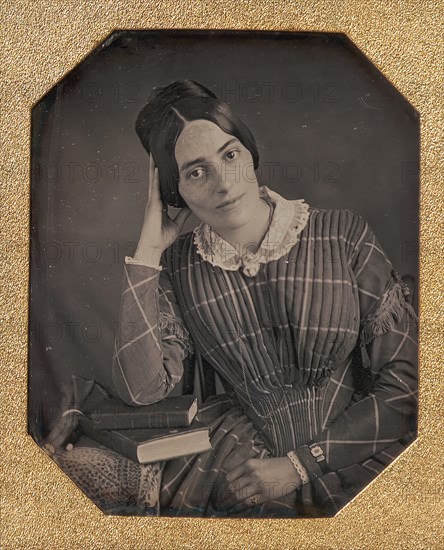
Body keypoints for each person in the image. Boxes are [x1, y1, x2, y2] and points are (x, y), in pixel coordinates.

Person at [53, 79, 417, 518]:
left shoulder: (342, 235)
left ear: (250, 153)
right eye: (195, 172)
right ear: (175, 193)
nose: (224, 184)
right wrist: (150, 251)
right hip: (238, 459)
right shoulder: (179, 267)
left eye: (231, 155)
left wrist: (301, 465)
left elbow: (405, 386)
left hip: (361, 453)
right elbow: (144, 388)